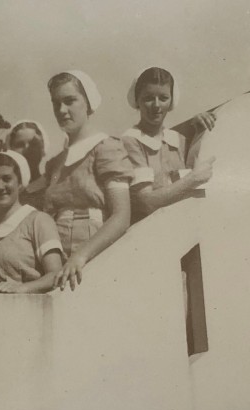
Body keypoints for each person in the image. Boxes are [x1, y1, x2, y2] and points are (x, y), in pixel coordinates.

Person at [41, 70, 134, 290]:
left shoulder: (106, 148)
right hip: (59, 264)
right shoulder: (54, 163)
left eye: (70, 100)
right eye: (56, 103)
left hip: (94, 260)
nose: (62, 110)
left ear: (88, 103)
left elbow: (122, 216)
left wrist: (81, 256)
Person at [121, 67, 215, 221]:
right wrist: (192, 180)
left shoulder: (179, 140)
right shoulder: (130, 141)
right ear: (137, 100)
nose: (156, 105)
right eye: (148, 98)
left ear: (171, 101)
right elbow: (146, 203)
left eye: (163, 98)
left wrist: (200, 129)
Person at [0, 150, 64, 295]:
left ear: (20, 183)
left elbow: (56, 275)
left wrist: (21, 288)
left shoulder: (38, 220)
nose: (0, 186)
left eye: (7, 179)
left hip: (28, 310)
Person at [6, 119, 51, 210]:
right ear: (10, 149)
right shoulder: (4, 192)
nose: (27, 149)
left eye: (33, 144)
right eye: (20, 145)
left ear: (42, 148)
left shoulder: (53, 187)